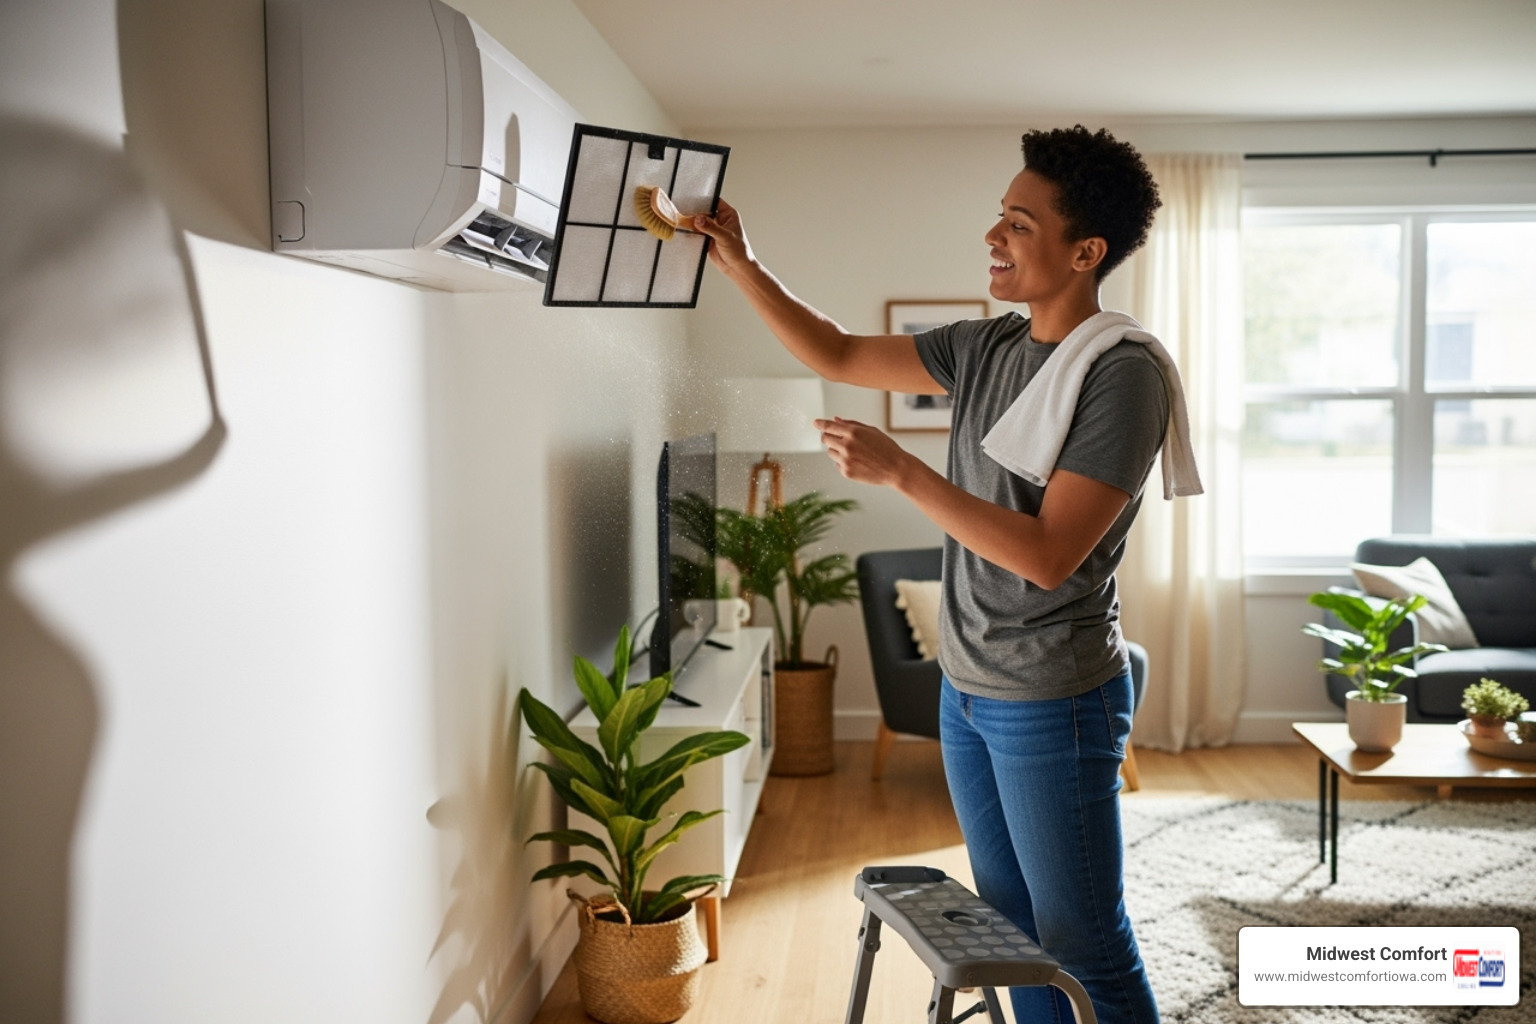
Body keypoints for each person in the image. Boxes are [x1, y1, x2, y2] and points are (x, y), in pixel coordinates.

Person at [693, 125, 1169, 1024]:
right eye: (1000, 215)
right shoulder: (985, 348)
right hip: (966, 685)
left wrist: (904, 472)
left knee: (1083, 941)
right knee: (1012, 933)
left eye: (1019, 224)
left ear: (1086, 252)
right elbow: (837, 352)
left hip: (1052, 696)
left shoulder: (1122, 376)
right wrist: (741, 264)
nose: (993, 235)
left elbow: (1046, 556)